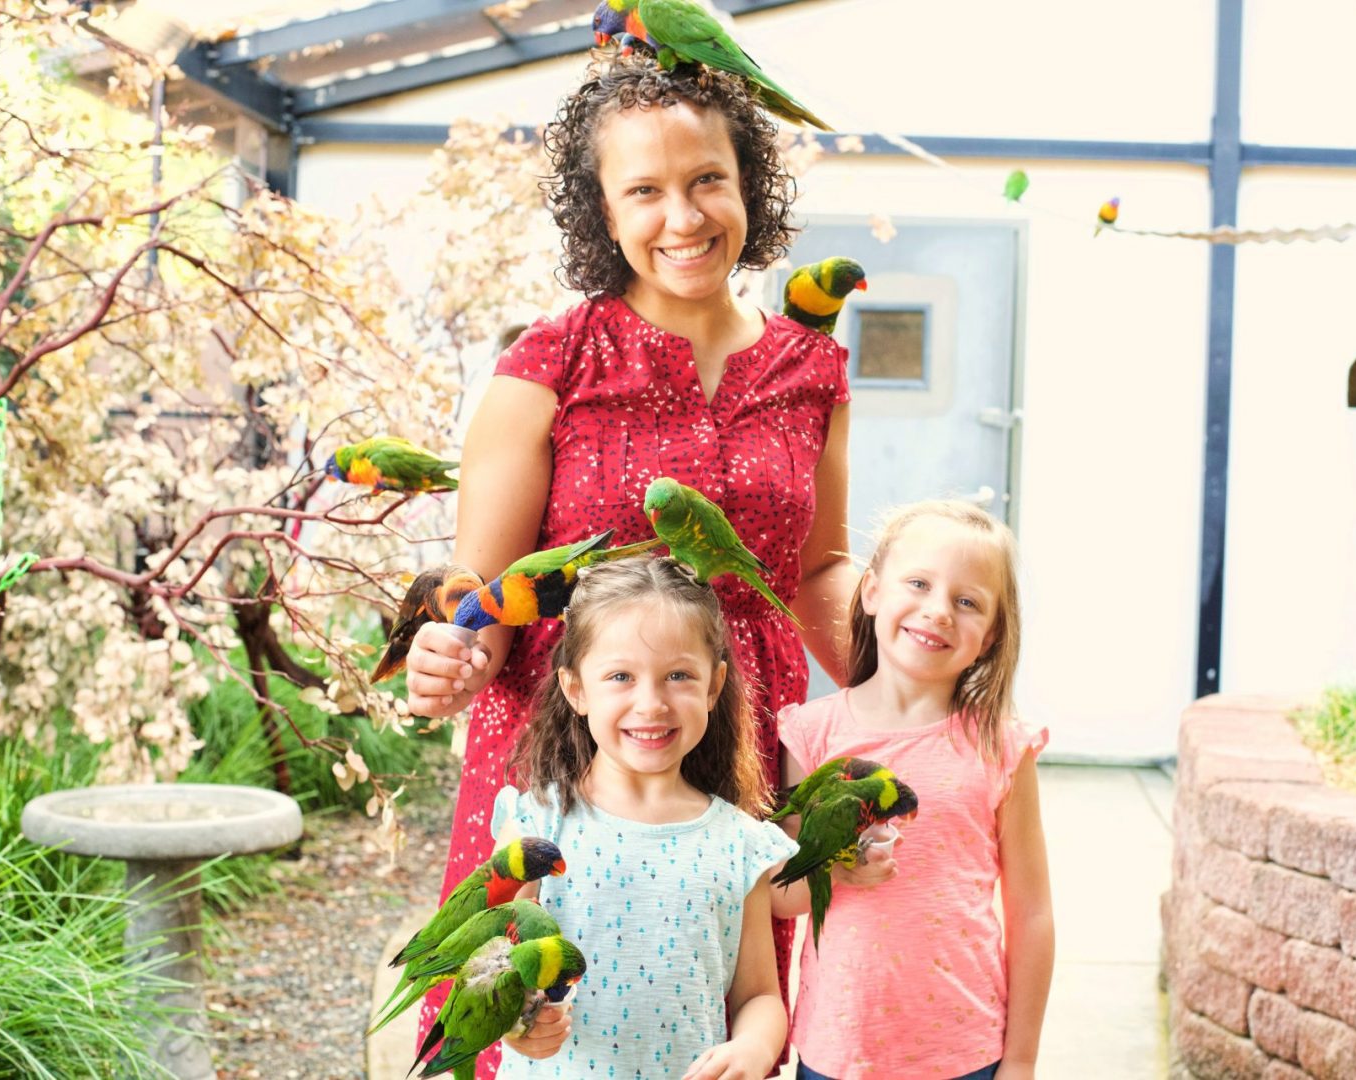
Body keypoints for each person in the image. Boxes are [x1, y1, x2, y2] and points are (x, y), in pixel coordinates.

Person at [404, 55, 855, 1072]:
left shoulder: (812, 369)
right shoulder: (549, 362)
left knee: (723, 1021)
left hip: (732, 753)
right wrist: (456, 653)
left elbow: (816, 572)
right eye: (643, 190)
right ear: (602, 214)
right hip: (565, 758)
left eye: (706, 179)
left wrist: (917, 686)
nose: (682, 216)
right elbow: (483, 592)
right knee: (539, 1018)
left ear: (749, 186)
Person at [771, 500, 1053, 1080]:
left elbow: (1032, 913)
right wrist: (837, 872)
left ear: (993, 634)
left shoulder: (1001, 746)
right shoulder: (812, 733)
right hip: (838, 1050)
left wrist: (1021, 1060)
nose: (938, 611)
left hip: (968, 1052)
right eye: (919, 583)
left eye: (967, 601)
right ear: (871, 592)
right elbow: (780, 895)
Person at [489, 557, 797, 1079]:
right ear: (576, 689)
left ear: (714, 685)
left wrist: (753, 1049)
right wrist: (521, 1025)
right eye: (620, 677)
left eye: (678, 675)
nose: (651, 703)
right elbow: (493, 972)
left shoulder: (740, 843)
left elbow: (760, 996)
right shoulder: (537, 827)